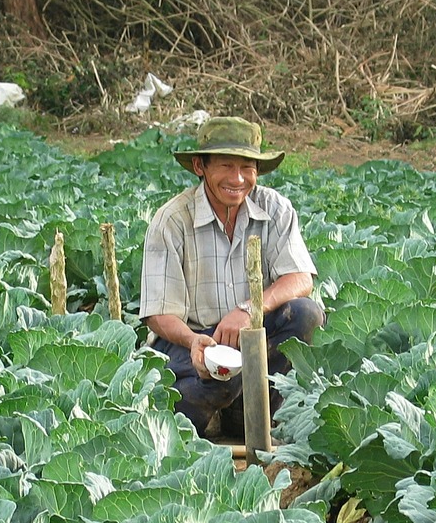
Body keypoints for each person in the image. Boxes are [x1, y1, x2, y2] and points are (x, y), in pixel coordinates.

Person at [139, 116, 324, 438]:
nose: (237, 179)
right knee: (198, 395)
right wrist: (194, 341)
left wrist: (248, 310)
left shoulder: (276, 208)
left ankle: (253, 412)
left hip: (252, 337)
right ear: (200, 166)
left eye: (247, 168)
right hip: (190, 342)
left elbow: (299, 278)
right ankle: (209, 407)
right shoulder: (172, 219)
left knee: (305, 313)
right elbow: (158, 313)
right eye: (225, 166)